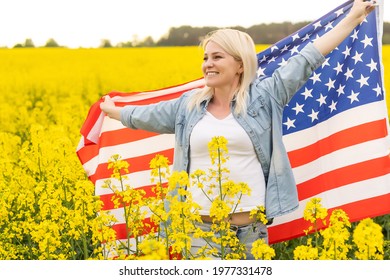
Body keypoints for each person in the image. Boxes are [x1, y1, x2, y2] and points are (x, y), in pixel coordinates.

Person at [100, 0, 377, 259]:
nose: (208, 64)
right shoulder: (188, 106)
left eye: (217, 57)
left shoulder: (266, 97)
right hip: (199, 233)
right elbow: (145, 115)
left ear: (240, 64)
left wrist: (352, 18)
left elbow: (307, 58)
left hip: (251, 232)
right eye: (206, 58)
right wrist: (115, 111)